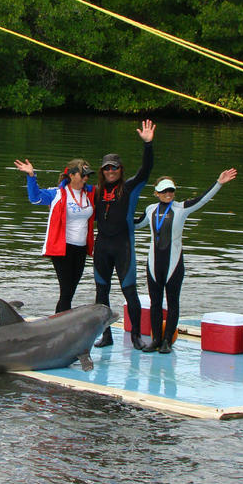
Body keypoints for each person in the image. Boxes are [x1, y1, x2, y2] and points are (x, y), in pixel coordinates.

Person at [135, 169, 237, 353]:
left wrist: (219, 183)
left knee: (173, 303)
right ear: (156, 193)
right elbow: (134, 224)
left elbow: (203, 199)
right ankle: (156, 339)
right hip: (153, 265)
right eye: (164, 191)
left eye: (171, 190)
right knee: (155, 303)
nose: (168, 194)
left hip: (174, 265)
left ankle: (167, 341)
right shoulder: (150, 210)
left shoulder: (182, 208)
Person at [92, 119, 155, 350]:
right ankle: (106, 335)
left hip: (123, 247)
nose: (111, 171)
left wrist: (148, 145)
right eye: (107, 168)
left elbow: (146, 170)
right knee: (101, 292)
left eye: (114, 168)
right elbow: (72, 187)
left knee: (130, 291)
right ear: (102, 171)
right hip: (102, 247)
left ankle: (136, 336)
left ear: (120, 170)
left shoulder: (130, 187)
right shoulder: (96, 191)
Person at [14, 157, 95, 313]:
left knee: (70, 291)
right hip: (62, 248)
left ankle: (60, 323)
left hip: (81, 249)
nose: (86, 178)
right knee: (66, 292)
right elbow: (35, 198)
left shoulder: (90, 194)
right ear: (71, 175)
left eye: (88, 175)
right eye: (83, 174)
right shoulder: (57, 193)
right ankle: (61, 326)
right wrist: (31, 176)